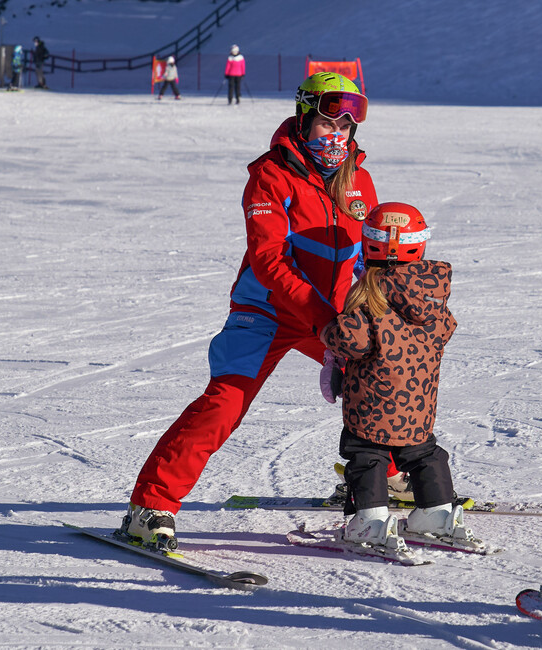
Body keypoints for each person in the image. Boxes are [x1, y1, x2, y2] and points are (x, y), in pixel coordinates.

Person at [120, 72, 377, 549]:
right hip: (268, 311)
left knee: (381, 377)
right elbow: (269, 259)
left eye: (345, 127)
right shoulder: (270, 175)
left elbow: (367, 256)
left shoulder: (358, 179)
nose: (336, 136)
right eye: (326, 124)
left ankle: (381, 479)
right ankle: (150, 505)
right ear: (303, 119)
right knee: (224, 403)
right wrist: (323, 322)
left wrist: (361, 318)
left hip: (329, 315)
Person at [320, 202, 478, 552]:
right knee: (423, 452)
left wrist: (328, 332)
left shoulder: (372, 291)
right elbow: (447, 328)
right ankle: (437, 513)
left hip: (371, 399)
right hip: (419, 398)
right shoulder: (431, 292)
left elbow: (353, 340)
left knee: (367, 453)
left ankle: (371, 520)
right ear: (419, 244)